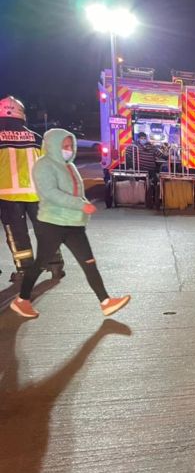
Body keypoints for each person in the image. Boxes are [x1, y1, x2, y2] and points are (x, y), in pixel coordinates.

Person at [10, 129, 131, 319]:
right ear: (53, 146)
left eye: (70, 146)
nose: (68, 149)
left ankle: (105, 302)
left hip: (73, 224)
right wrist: (81, 205)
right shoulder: (44, 166)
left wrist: (82, 209)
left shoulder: (69, 165)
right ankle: (22, 300)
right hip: (52, 223)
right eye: (64, 146)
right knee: (40, 263)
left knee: (89, 262)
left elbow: (77, 192)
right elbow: (50, 193)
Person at [0, 96, 64, 284]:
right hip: (37, 193)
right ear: (22, 115)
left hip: (8, 196)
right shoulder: (36, 138)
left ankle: (26, 270)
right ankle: (55, 264)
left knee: (17, 234)